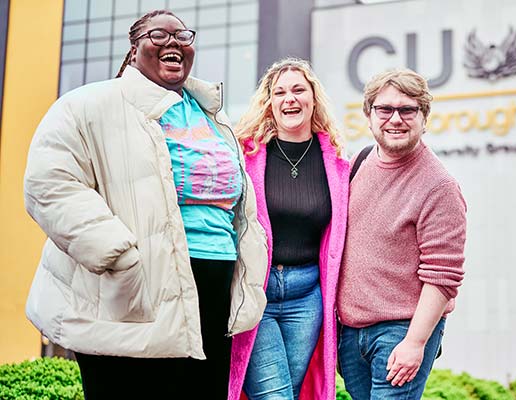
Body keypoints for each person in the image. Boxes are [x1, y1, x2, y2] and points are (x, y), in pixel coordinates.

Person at [23, 10, 268, 400]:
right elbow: (49, 182)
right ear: (134, 49)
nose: (174, 42)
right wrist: (117, 253)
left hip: (213, 286)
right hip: (133, 287)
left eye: (183, 36)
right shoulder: (90, 104)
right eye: (159, 34)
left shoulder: (212, 116)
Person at [336, 68, 467, 399]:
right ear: (369, 116)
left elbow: (443, 276)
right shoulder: (359, 164)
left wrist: (415, 342)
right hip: (351, 334)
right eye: (385, 109)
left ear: (424, 117)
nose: (395, 119)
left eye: (407, 110)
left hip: (402, 331)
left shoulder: (440, 186)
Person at [229, 58, 349, 400]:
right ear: (269, 102)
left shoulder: (337, 162)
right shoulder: (247, 155)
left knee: (290, 393)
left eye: (298, 90)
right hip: (257, 294)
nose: (289, 99)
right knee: (275, 395)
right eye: (279, 92)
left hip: (307, 296)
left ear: (314, 98)